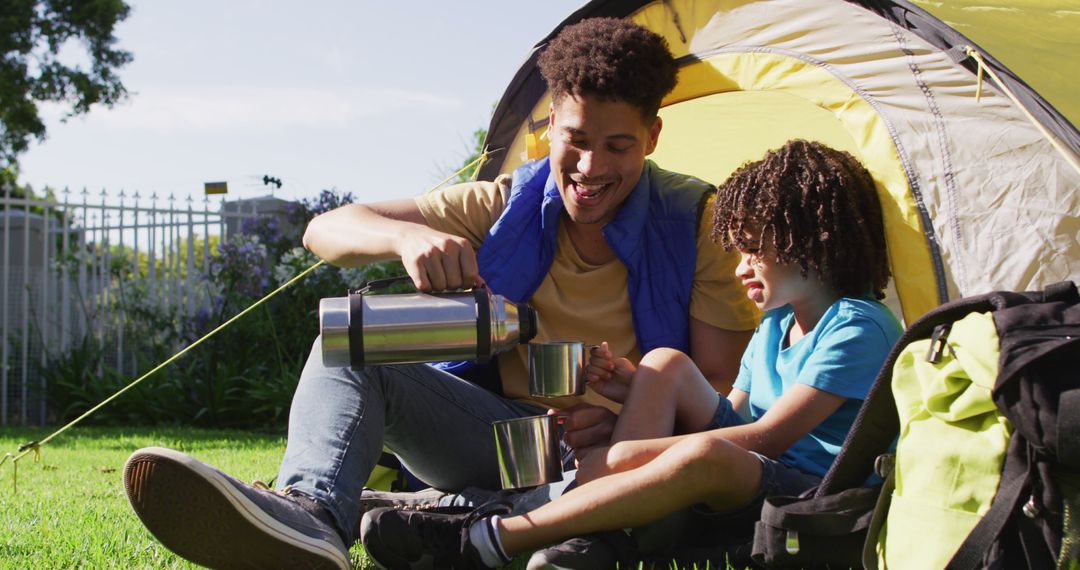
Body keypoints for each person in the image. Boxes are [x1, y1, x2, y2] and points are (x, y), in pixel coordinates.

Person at [121, 17, 759, 570]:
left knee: (628, 489)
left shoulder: (697, 221)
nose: (591, 168)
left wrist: (628, 422)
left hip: (634, 457)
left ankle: (456, 517)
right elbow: (326, 228)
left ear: (652, 137)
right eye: (577, 140)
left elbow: (720, 394)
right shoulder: (507, 203)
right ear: (550, 128)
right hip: (515, 442)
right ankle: (310, 520)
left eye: (618, 145)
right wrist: (404, 239)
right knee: (350, 341)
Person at [358, 139, 905, 569]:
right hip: (746, 468)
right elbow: (734, 415)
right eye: (736, 250)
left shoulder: (858, 325)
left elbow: (769, 438)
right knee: (662, 361)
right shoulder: (774, 328)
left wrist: (631, 458)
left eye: (754, 249)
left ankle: (492, 535)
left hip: (805, 489)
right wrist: (632, 389)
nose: (740, 267)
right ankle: (595, 518)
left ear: (811, 240)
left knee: (699, 457)